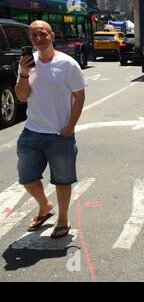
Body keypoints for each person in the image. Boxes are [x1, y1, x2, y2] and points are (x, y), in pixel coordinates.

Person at [15, 20, 86, 238]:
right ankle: (44, 206)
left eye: (43, 34)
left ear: (52, 36)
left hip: (59, 134)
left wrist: (70, 127)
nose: (39, 39)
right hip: (32, 131)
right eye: (34, 36)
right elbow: (21, 96)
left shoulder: (68, 64)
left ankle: (63, 218)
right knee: (26, 177)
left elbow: (79, 96)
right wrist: (25, 73)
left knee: (62, 180)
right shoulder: (27, 64)